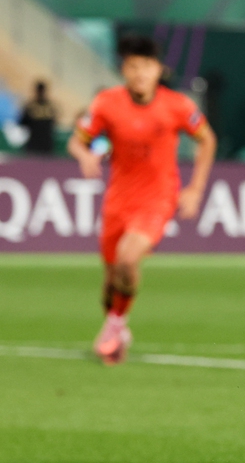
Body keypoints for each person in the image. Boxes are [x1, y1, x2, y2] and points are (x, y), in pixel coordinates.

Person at [68, 36, 216, 365]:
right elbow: (78, 141)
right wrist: (85, 156)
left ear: (158, 70)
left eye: (147, 66)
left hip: (158, 199)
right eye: (133, 66)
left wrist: (195, 189)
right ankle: (116, 324)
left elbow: (207, 140)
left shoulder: (178, 106)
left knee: (128, 259)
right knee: (110, 285)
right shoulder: (106, 103)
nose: (140, 73)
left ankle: (116, 326)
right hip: (118, 200)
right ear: (124, 69)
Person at [18, 80, 57, 155]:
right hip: (35, 143)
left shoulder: (48, 106)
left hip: (45, 144)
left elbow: (22, 122)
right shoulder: (30, 106)